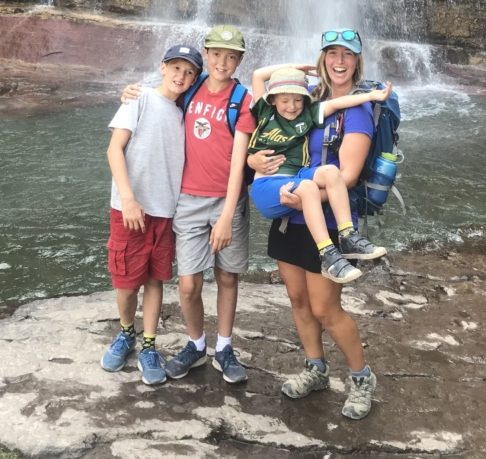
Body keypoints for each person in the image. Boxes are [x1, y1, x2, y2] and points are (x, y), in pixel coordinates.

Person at [247, 28, 379, 420]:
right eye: (332, 54)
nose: (339, 62)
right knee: (298, 299)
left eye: (347, 55)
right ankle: (315, 369)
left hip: (325, 217)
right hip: (292, 217)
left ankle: (361, 378)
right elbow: (266, 134)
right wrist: (255, 163)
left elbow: (349, 175)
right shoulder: (305, 99)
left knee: (325, 308)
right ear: (322, 59)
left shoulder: (357, 111)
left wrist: (300, 194)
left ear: (357, 62)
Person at [119, 25, 256, 384]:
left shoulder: (242, 100)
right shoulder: (190, 89)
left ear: (239, 60)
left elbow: (240, 159)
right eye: (215, 54)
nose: (222, 62)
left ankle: (224, 348)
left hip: (228, 202)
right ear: (206, 55)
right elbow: (161, 95)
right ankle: (196, 344)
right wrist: (131, 92)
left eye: (230, 56)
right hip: (188, 201)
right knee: (188, 285)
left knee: (227, 275)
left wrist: (228, 213)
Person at [101, 44, 202, 386]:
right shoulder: (139, 98)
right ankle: (125, 333)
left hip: (166, 212)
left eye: (189, 72)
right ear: (162, 67)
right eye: (176, 68)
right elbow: (114, 148)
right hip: (131, 208)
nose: (181, 76)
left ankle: (148, 345)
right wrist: (128, 198)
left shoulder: (184, 112)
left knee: (155, 279)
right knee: (127, 282)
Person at [248, 64, 389, 283]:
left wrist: (371, 95)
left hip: (297, 177)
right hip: (267, 185)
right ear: (273, 100)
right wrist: (298, 68)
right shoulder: (265, 111)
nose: (292, 107)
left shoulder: (307, 115)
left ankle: (347, 236)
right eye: (284, 101)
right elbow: (258, 75)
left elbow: (336, 103)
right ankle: (327, 254)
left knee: (332, 173)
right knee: (308, 187)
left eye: (297, 100)